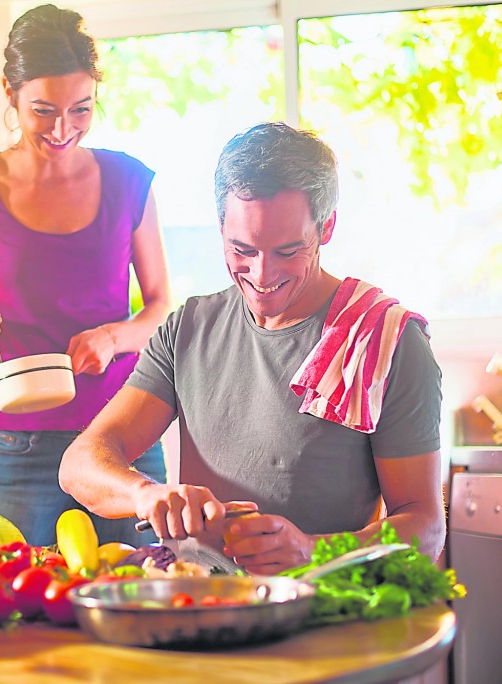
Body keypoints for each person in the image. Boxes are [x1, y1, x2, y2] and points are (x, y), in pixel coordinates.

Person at [59, 122, 446, 574]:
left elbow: (425, 528)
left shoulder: (386, 341)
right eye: (242, 249)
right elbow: (80, 463)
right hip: (195, 597)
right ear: (220, 225)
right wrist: (146, 494)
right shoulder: (187, 329)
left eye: (287, 251)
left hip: (315, 605)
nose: (262, 276)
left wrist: (312, 550)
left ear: (327, 226)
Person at [0, 4, 172, 548]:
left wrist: (113, 337)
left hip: (123, 436)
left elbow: (160, 305)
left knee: (140, 602)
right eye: (43, 110)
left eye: (81, 109)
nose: (63, 129)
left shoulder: (128, 180)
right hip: (20, 443)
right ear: (9, 93)